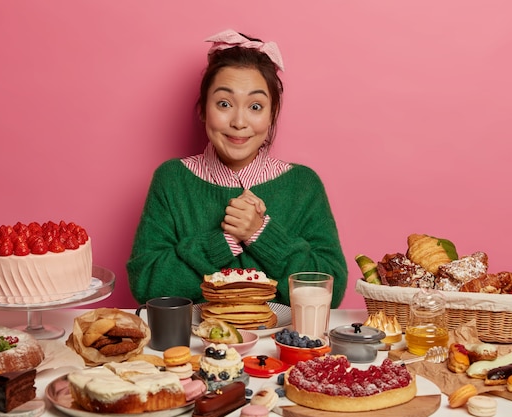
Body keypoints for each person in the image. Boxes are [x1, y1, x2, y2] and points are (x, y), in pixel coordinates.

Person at [127, 29, 348, 308]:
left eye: (255, 106)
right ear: (202, 110)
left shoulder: (303, 184)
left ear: (271, 116)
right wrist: (224, 241)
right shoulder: (172, 180)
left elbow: (333, 288)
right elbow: (146, 284)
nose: (239, 122)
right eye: (224, 104)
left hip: (283, 345)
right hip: (195, 345)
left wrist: (260, 234)